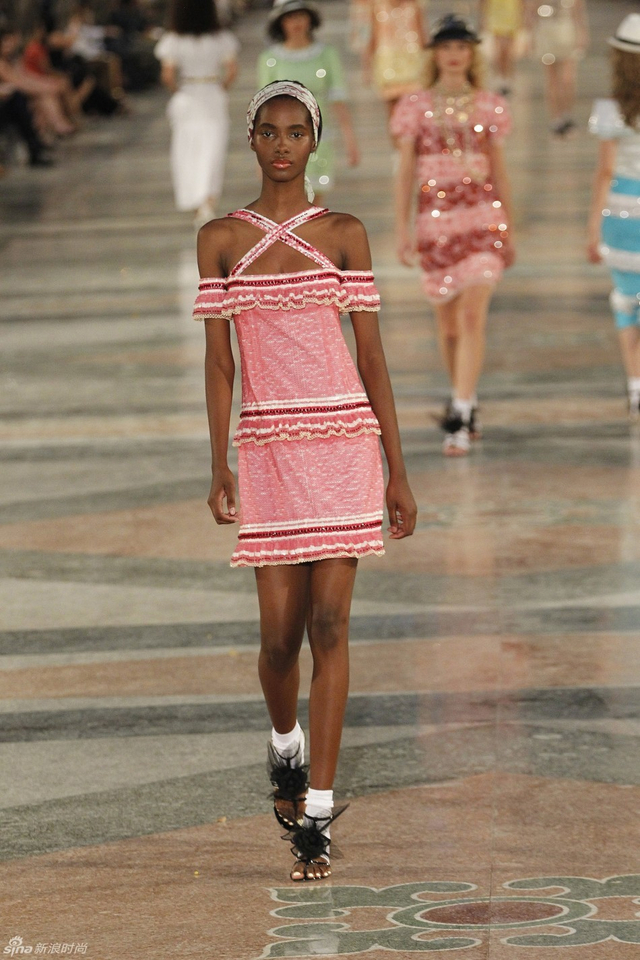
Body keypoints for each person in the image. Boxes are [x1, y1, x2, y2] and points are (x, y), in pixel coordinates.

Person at [193, 80, 417, 881]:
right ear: (252, 139)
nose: (283, 144)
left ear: (313, 141)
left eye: (296, 131)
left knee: (330, 625)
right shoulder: (220, 239)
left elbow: (372, 355)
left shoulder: (346, 233)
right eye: (270, 131)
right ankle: (285, 744)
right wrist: (218, 459)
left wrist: (397, 469)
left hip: (344, 442)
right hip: (269, 449)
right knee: (278, 641)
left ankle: (316, 814)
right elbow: (220, 361)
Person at [392, 14, 515, 456]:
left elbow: (499, 169)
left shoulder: (490, 105)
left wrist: (510, 227)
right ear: (434, 54)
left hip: (482, 219)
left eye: (462, 47)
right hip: (436, 224)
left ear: (472, 54)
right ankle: (466, 395)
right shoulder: (414, 107)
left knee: (471, 318)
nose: (454, 55)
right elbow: (405, 171)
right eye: (446, 47)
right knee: (447, 328)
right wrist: (402, 228)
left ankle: (459, 415)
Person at [587, 14, 640, 420]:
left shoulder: (611, 110)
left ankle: (636, 386)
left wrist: (593, 230)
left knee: (626, 302)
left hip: (621, 215)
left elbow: (605, 172)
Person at [257, 0, 359, 201]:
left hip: (318, 137)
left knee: (314, 197)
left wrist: (350, 141)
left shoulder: (326, 55)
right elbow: (263, 108)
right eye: (290, 17)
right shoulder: (270, 59)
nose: (296, 22)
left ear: (310, 19)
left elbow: (338, 98)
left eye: (301, 16)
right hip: (281, 140)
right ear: (281, 22)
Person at [155, 0, 239, 226]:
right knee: (213, 149)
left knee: (187, 150)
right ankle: (208, 201)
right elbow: (232, 71)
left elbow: (167, 75)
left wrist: (180, 90)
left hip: (187, 95)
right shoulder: (221, 38)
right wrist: (220, 88)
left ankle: (195, 202)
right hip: (212, 95)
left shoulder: (173, 40)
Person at [524, 0, 588, 136]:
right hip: (546, 32)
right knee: (552, 80)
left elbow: (578, 11)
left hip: (567, 31)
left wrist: (582, 33)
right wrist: (530, 36)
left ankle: (567, 114)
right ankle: (556, 118)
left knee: (567, 79)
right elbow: (531, 10)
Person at [364, 0, 427, 124]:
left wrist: (429, 63)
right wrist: (368, 67)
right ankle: (396, 135)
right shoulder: (378, 7)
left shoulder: (414, 7)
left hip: (411, 63)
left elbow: (422, 35)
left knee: (414, 105)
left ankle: (410, 134)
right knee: (392, 107)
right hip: (388, 64)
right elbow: (373, 38)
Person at [480, 0, 522, 96]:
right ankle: (500, 77)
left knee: (508, 50)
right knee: (499, 49)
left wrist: (523, 18)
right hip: (496, 15)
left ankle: (507, 77)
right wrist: (483, 18)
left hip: (512, 15)